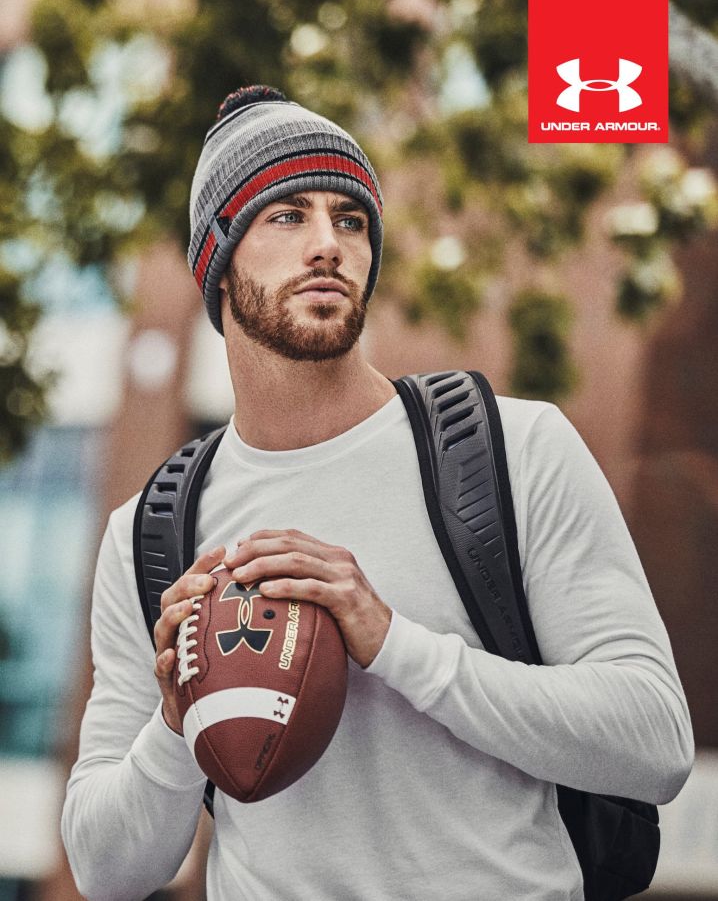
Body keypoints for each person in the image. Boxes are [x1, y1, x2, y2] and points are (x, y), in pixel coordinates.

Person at [62, 85, 693, 901]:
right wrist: (178, 718)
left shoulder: (515, 449)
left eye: (351, 220)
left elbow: (655, 743)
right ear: (215, 258)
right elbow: (106, 871)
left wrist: (395, 644)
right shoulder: (150, 531)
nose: (328, 244)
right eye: (287, 215)